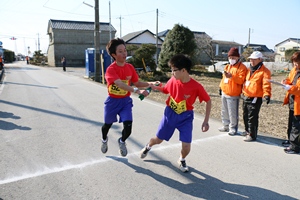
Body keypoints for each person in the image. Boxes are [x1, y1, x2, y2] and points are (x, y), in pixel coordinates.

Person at [140, 54, 211, 172]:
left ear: (184, 70)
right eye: (171, 70)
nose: (172, 73)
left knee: (187, 145)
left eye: (174, 70)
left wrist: (206, 121)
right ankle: (148, 146)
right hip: (170, 114)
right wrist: (154, 87)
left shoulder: (196, 86)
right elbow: (165, 89)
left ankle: (182, 159)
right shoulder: (173, 80)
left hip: (186, 117)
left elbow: (208, 101)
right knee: (158, 140)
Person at [101, 38, 158, 157]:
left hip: (125, 102)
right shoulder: (111, 70)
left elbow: (137, 83)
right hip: (112, 102)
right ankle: (104, 139)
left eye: (125, 50)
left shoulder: (130, 67)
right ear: (114, 55)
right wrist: (136, 91)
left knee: (128, 126)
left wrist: (150, 84)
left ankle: (121, 141)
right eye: (120, 51)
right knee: (107, 125)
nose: (124, 53)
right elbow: (120, 84)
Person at [242, 51, 271, 142]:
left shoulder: (265, 71)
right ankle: (247, 131)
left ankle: (252, 134)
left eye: (254, 59)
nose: (252, 61)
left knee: (252, 117)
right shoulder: (248, 69)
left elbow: (266, 84)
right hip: (246, 95)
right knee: (245, 115)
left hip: (255, 97)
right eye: (251, 59)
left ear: (260, 59)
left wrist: (266, 94)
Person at [218, 47, 247, 136]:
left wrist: (232, 76)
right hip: (225, 92)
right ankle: (225, 125)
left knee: (232, 112)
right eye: (230, 58)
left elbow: (241, 80)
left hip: (233, 93)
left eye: (233, 58)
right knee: (224, 111)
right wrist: (220, 87)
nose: (231, 59)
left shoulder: (242, 67)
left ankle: (233, 128)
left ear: (238, 57)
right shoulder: (227, 66)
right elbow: (223, 78)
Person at [281, 51, 300, 154]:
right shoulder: (294, 70)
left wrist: (290, 88)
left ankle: (295, 146)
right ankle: (290, 141)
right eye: (294, 62)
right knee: (291, 123)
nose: (295, 64)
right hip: (293, 101)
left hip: (299, 104)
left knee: (296, 126)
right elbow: (290, 80)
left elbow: (298, 89)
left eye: (297, 62)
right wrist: (286, 82)